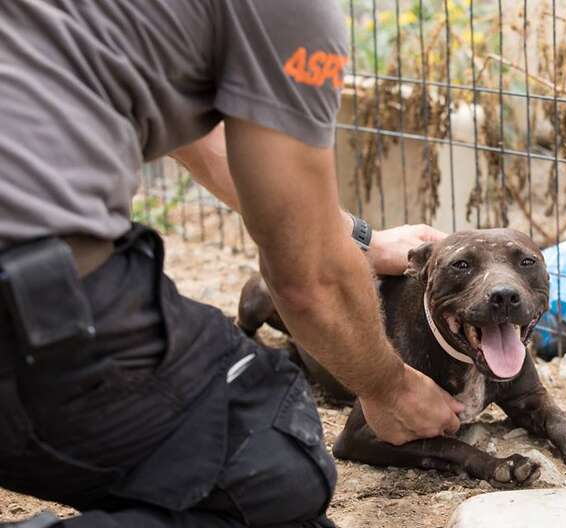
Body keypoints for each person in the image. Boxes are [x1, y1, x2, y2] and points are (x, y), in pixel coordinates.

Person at [0, 2, 463, 527]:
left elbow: (195, 139)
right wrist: (390, 388)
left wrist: (357, 238)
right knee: (273, 469)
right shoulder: (290, 12)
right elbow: (308, 280)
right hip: (30, 296)